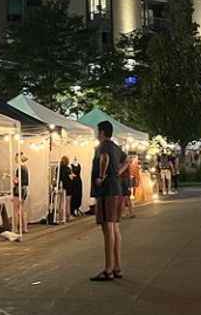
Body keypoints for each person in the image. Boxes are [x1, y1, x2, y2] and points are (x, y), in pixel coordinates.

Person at [90, 120, 127, 281]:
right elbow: (127, 160)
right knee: (115, 228)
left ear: (102, 132)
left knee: (107, 229)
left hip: (107, 191)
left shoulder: (104, 146)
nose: (97, 135)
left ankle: (108, 268)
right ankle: (117, 266)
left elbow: (104, 158)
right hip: (117, 189)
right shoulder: (116, 147)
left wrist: (102, 176)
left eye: (98, 132)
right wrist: (118, 171)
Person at [12, 153, 30, 234]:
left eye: (16, 157)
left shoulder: (19, 168)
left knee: (16, 210)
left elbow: (17, 181)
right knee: (22, 209)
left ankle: (15, 228)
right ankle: (24, 227)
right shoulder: (25, 168)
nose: (15, 159)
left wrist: (13, 180)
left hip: (19, 189)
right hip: (25, 190)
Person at [59, 155, 74, 222]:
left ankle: (61, 216)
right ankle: (67, 216)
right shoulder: (68, 169)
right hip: (68, 187)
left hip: (61, 186)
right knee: (67, 202)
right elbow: (71, 178)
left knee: (61, 202)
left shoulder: (58, 168)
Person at [120, 151, 134, 218]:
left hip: (124, 181)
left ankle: (126, 213)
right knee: (125, 198)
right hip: (124, 181)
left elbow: (121, 172)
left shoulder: (124, 163)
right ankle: (129, 213)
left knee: (124, 197)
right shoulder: (125, 163)